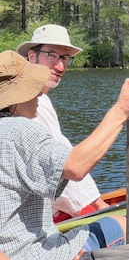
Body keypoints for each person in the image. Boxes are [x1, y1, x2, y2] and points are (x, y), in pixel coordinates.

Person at [0, 49, 129, 260]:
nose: (40, 93)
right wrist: (120, 112)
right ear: (16, 97)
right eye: (32, 88)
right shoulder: (19, 130)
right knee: (124, 224)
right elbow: (76, 166)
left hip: (12, 255)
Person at [16, 24, 109, 220]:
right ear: (32, 56)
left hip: (58, 209)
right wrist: (98, 210)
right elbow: (62, 170)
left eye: (65, 58)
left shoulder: (42, 100)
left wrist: (98, 203)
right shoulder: (28, 106)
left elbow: (63, 154)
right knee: (123, 226)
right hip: (44, 219)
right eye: (52, 56)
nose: (60, 67)